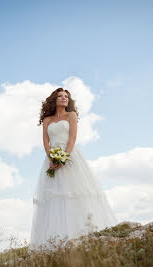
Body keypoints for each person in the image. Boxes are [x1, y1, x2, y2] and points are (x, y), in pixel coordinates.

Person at [29, 87, 118, 251]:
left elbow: (73, 138)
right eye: (60, 96)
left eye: (66, 97)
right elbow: (45, 142)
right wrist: (52, 158)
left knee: (75, 193)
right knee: (54, 198)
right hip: (51, 160)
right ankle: (55, 242)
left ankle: (82, 235)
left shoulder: (71, 115)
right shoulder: (47, 120)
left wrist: (64, 158)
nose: (64, 98)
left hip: (70, 157)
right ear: (54, 100)